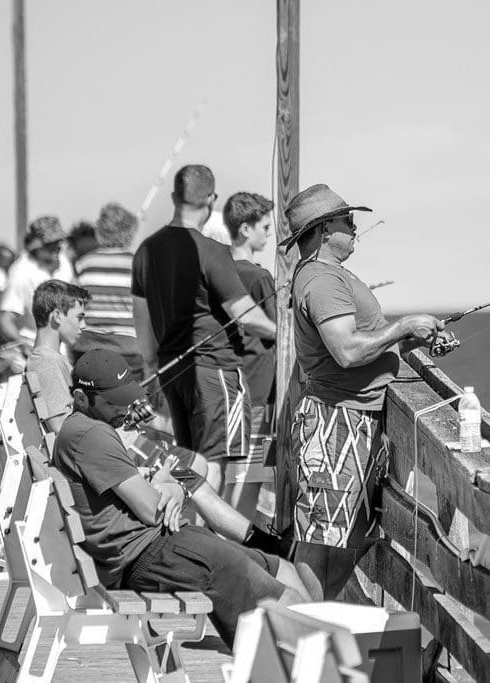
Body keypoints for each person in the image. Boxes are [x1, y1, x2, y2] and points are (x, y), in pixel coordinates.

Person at [52, 349, 316, 646]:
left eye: (126, 398)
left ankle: (328, 653)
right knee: (288, 598)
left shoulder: (87, 430)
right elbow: (152, 511)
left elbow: (147, 497)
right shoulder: (91, 434)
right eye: (114, 402)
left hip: (160, 544)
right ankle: (326, 661)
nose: (124, 408)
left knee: (284, 569)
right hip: (148, 554)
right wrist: (170, 486)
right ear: (80, 398)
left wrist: (173, 487)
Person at [281, 183, 452, 597]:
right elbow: (346, 350)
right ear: (324, 231)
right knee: (322, 539)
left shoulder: (333, 275)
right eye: (346, 220)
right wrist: (406, 325)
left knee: (349, 540)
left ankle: (315, 626)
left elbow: (368, 342)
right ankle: (307, 630)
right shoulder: (321, 281)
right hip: (334, 422)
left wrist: (414, 338)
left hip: (357, 418)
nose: (355, 227)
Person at [131, 165, 276, 473]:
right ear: (212, 199)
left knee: (189, 461)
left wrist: (154, 365)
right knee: (214, 467)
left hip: (172, 373)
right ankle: (208, 524)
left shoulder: (146, 251)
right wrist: (284, 332)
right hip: (215, 371)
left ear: (174, 197)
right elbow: (245, 315)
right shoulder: (211, 251)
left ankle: (191, 522)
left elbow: (143, 331)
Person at [224, 192, 277, 436]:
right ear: (245, 228)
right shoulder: (259, 276)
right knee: (253, 467)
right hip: (258, 387)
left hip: (227, 385)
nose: (269, 233)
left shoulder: (215, 273)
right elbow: (279, 332)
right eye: (265, 227)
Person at [72, 203, 144, 379]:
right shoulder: (138, 264)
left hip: (87, 348)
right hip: (127, 349)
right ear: (131, 231)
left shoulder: (83, 264)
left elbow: (73, 307)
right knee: (126, 403)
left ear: (100, 231)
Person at [0, 216, 75, 373]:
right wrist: (24, 344)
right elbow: (5, 319)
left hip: (62, 357)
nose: (58, 247)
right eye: (50, 244)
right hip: (30, 362)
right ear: (35, 246)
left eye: (59, 242)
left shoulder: (64, 263)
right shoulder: (21, 272)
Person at [26, 280, 90, 433]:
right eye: (79, 317)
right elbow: (60, 428)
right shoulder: (46, 362)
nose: (83, 325)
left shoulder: (52, 359)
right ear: (57, 316)